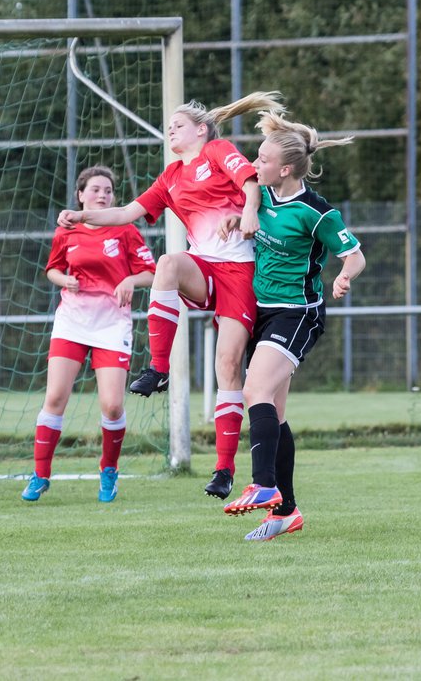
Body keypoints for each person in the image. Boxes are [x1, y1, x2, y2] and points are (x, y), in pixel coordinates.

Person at [58, 93, 278, 500]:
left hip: (241, 273)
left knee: (228, 366)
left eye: (178, 123)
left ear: (201, 129)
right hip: (204, 267)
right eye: (169, 125)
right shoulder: (171, 175)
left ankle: (224, 469)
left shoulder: (216, 149)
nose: (170, 129)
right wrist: (82, 216)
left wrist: (249, 211)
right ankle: (159, 368)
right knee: (168, 263)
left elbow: (250, 181)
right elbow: (125, 213)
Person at [217, 104, 365, 541]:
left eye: (261, 159)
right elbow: (249, 222)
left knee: (254, 390)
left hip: (298, 314)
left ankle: (263, 485)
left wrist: (342, 276)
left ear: (284, 169)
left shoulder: (316, 212)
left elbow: (354, 255)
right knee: (275, 415)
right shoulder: (259, 196)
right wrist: (233, 218)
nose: (254, 164)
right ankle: (286, 512)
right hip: (263, 312)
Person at [21, 166, 156, 504]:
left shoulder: (124, 229)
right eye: (95, 189)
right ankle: (40, 475)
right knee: (54, 398)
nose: (102, 195)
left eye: (108, 191)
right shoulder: (67, 231)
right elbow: (52, 268)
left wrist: (129, 280)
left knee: (112, 406)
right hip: (72, 321)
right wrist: (62, 279)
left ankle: (108, 470)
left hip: (112, 324)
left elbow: (151, 273)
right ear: (80, 195)